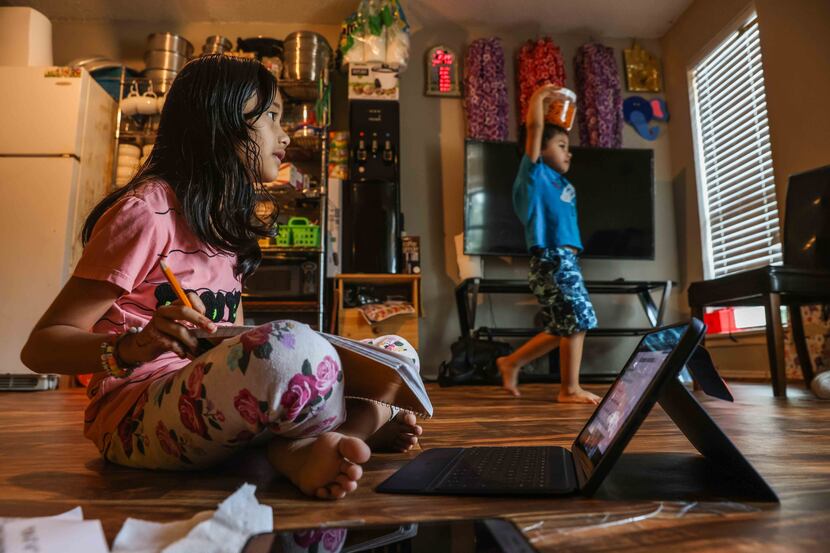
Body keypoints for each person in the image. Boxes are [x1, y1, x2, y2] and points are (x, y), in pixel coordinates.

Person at [20, 55, 422, 500]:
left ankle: (317, 442)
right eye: (270, 116)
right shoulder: (146, 212)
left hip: (217, 404)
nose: (285, 134)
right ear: (219, 119)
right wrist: (130, 346)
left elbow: (236, 345)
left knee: (396, 353)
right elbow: (41, 348)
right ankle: (331, 437)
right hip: (134, 416)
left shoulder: (224, 225)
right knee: (293, 347)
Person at [496, 84, 601, 404]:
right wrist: (540, 98)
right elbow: (536, 128)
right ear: (539, 150)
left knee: (564, 326)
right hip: (552, 260)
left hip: (566, 263)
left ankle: (511, 362)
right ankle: (569, 389)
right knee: (579, 319)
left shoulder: (563, 182)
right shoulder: (533, 175)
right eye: (561, 144)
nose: (568, 151)